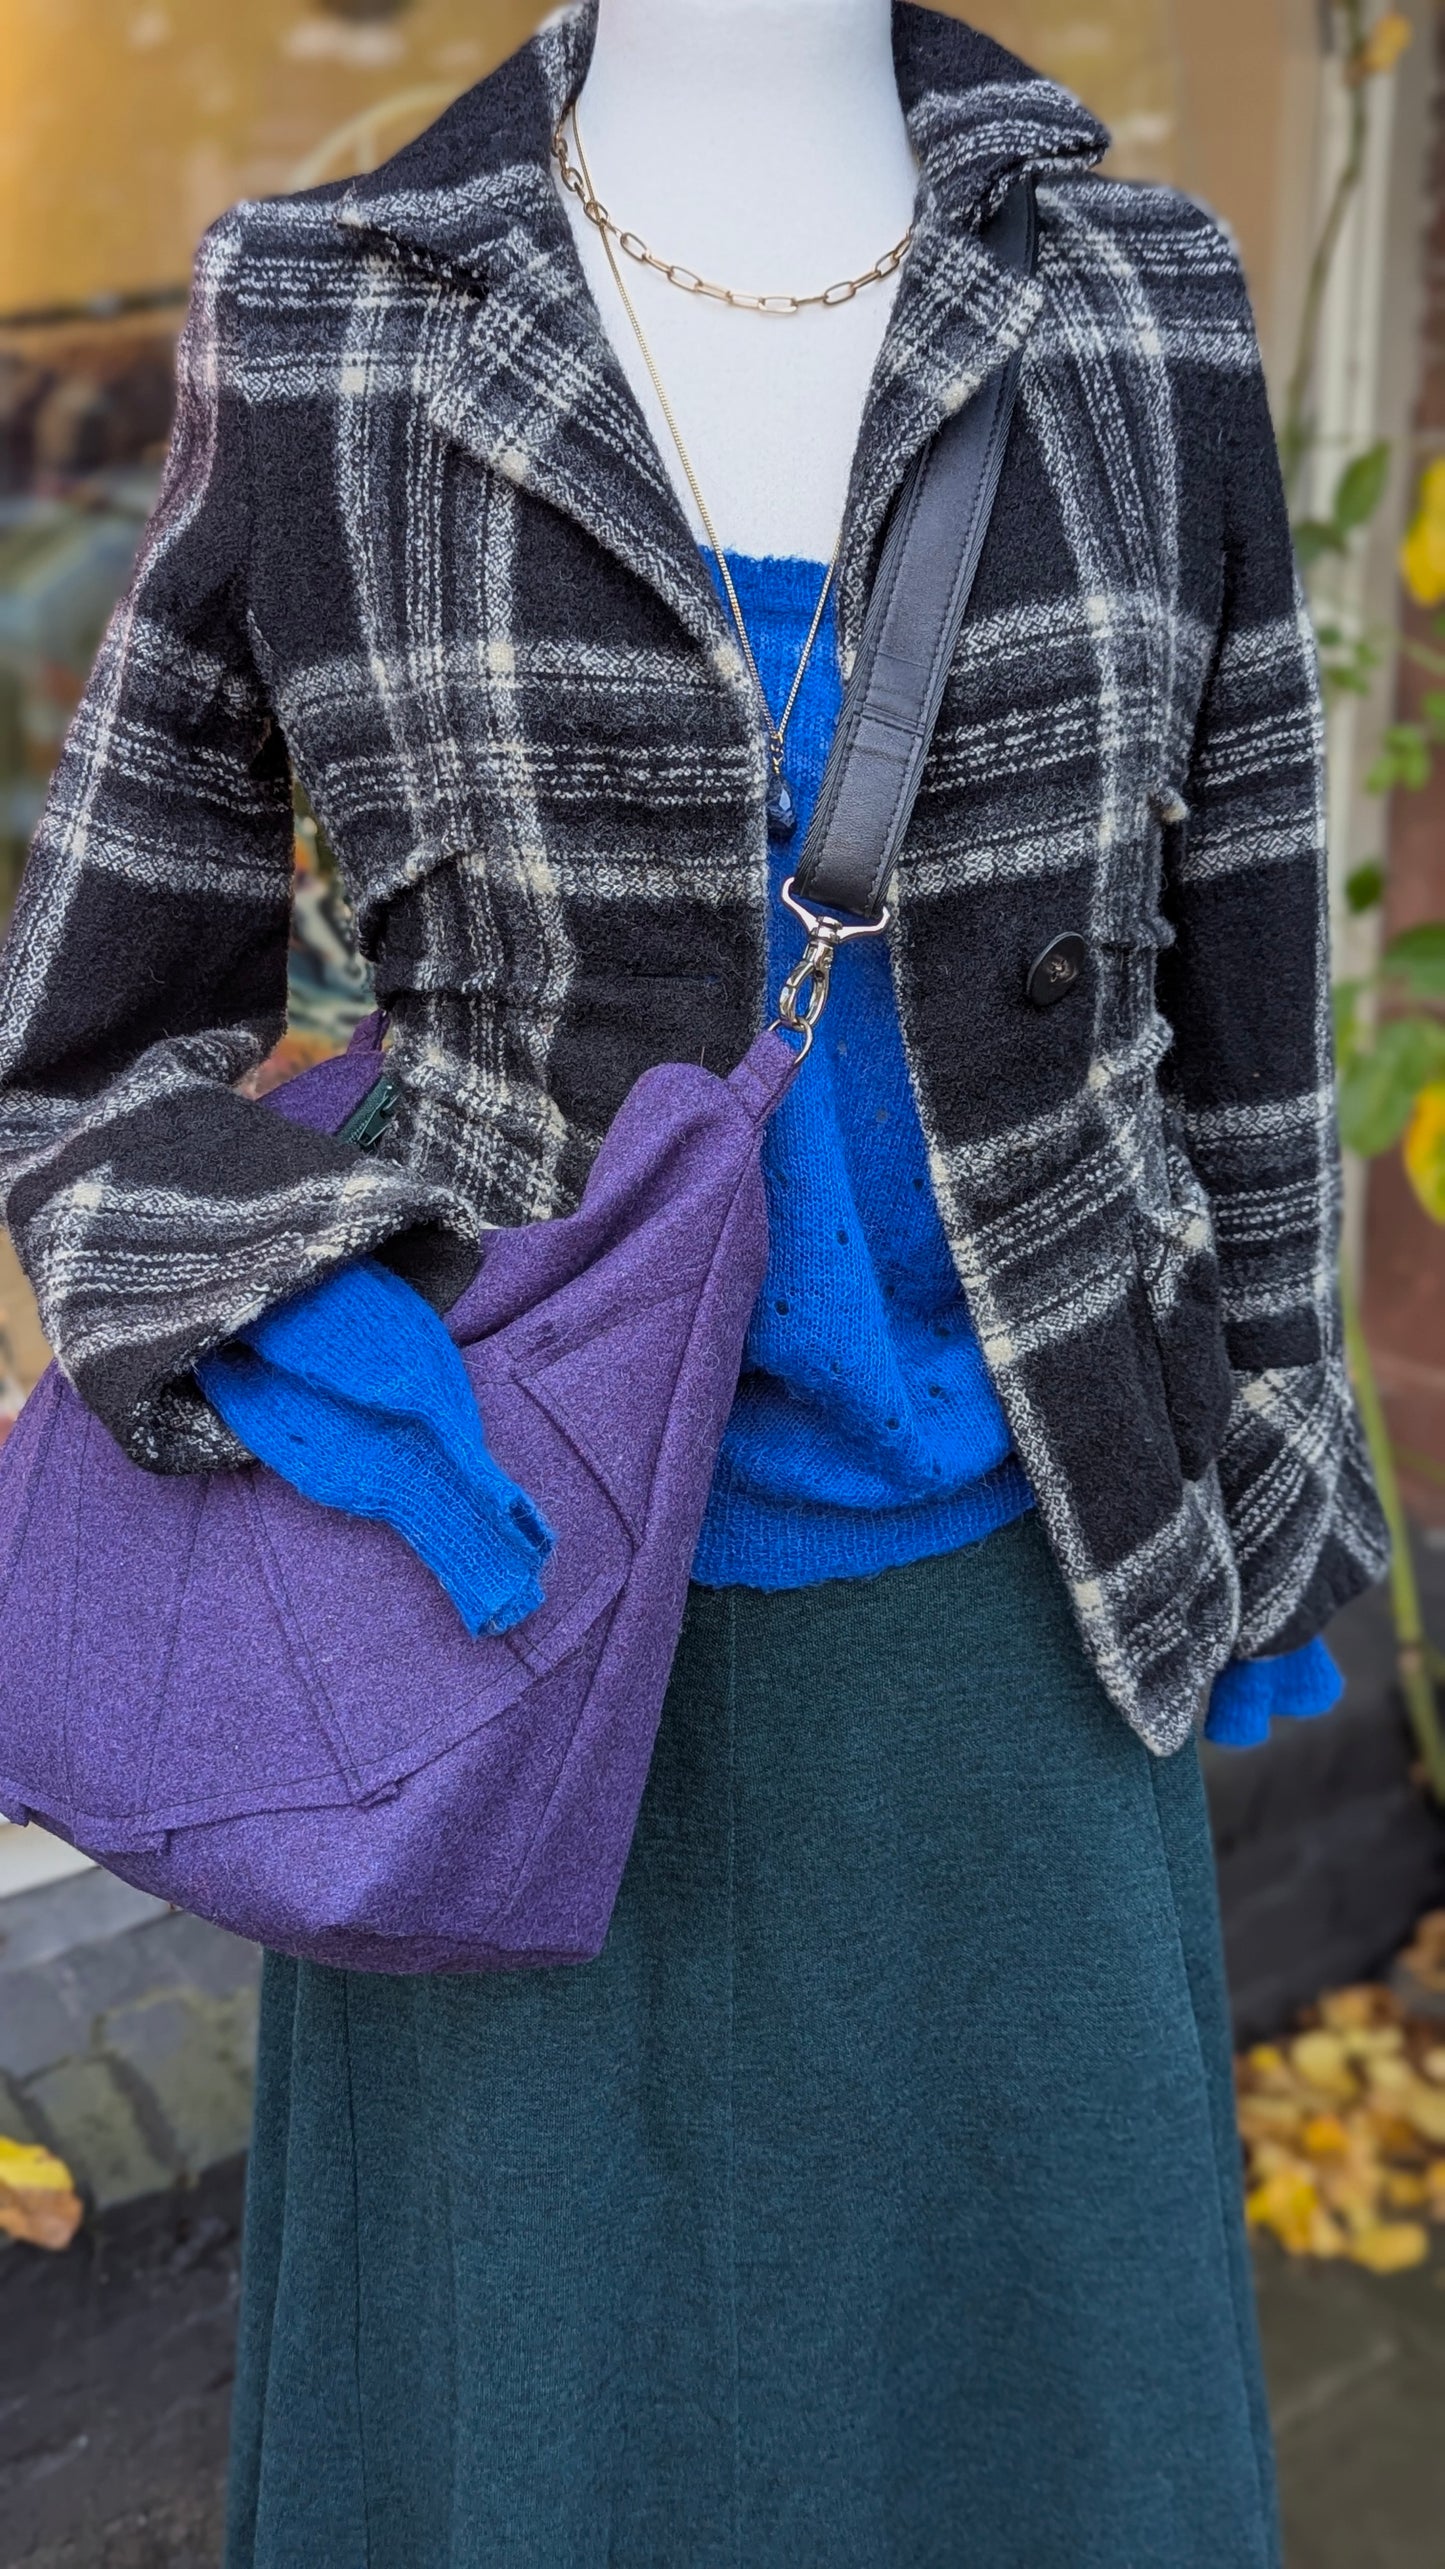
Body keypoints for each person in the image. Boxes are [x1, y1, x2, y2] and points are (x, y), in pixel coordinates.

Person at [0, 3, 1385, 2561]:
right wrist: (323, 1343)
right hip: (499, 1689)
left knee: (1051, 2487)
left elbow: (1253, 991)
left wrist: (1278, 1464)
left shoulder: (1139, 299)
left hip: (1025, 1675)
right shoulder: (328, 316)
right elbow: (85, 1053)